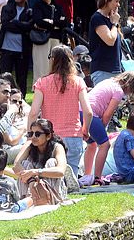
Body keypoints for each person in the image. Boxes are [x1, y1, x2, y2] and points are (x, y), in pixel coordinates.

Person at [29, 45, 94, 175]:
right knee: (71, 177)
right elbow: (88, 112)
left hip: (49, 137)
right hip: (73, 135)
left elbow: (34, 112)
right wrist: (85, 129)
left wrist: (30, 134)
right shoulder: (78, 82)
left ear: (52, 60)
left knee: (50, 175)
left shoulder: (42, 83)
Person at [83, 72, 134, 184]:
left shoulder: (109, 81)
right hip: (90, 114)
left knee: (92, 144)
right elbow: (107, 115)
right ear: (129, 86)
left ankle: (87, 175)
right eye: (131, 92)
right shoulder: (118, 92)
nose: (129, 95)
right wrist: (103, 129)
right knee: (105, 144)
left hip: (82, 111)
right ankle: (97, 178)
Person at [13, 118, 69, 204]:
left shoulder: (57, 147)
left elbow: (60, 171)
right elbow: (16, 165)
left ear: (48, 136)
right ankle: (25, 199)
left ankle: (50, 198)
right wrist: (31, 180)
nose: (33, 137)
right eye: (31, 133)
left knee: (51, 162)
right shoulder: (29, 145)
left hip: (53, 189)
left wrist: (36, 172)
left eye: (38, 134)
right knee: (25, 164)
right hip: (33, 183)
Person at [0, 0, 33, 95]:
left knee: (21, 78)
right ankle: (1, 99)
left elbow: (29, 27)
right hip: (6, 48)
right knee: (3, 77)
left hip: (22, 50)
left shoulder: (30, 11)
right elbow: (6, 24)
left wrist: (16, 23)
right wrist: (22, 26)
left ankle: (21, 100)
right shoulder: (7, 8)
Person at [31, 0, 68, 82]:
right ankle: (39, 88)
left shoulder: (58, 7)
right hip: (41, 39)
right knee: (41, 66)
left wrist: (49, 22)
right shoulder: (37, 6)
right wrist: (55, 24)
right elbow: (38, 21)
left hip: (56, 39)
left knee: (55, 66)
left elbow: (64, 22)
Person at [88, 0, 124, 86]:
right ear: (107, 0)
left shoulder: (110, 18)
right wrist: (115, 24)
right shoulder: (97, 18)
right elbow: (110, 40)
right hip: (102, 70)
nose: (118, 5)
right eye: (116, 1)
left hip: (115, 70)